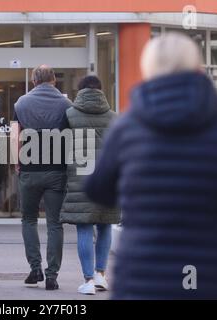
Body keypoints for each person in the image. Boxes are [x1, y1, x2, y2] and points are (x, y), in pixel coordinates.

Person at [85, 33, 217, 299]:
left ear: (148, 72)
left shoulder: (127, 129)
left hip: (141, 278)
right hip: (216, 278)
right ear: (198, 70)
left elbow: (98, 190)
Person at [13, 65, 72, 290]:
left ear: (34, 80)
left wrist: (18, 162)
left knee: (28, 219)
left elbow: (15, 136)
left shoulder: (21, 103)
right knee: (55, 224)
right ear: (54, 80)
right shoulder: (67, 105)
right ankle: (52, 275)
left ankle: (35, 268)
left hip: (29, 170)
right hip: (57, 171)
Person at [60, 75, 120, 295]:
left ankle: (87, 281)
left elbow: (60, 147)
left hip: (80, 180)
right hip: (108, 179)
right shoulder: (115, 118)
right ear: (101, 91)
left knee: (84, 227)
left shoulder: (69, 115)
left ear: (80, 91)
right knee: (104, 225)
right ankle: (101, 275)